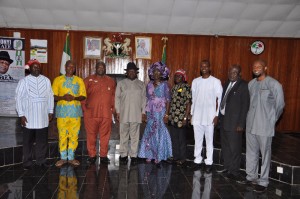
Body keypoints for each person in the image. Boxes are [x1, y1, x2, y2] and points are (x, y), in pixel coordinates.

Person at [237, 59, 285, 193]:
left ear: (265, 68)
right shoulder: (251, 84)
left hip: (264, 126)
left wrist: (272, 120)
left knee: (265, 155)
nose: (256, 68)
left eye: (259, 66)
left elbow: (280, 105)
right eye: (254, 66)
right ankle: (251, 177)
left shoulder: (274, 84)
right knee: (251, 153)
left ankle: (263, 181)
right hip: (251, 125)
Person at [15, 59, 54, 170]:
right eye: (34, 67)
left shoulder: (46, 80)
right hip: (28, 117)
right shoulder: (24, 81)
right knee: (28, 141)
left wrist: (50, 111)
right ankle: (27, 162)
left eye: (38, 67)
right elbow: (18, 98)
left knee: (42, 141)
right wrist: (21, 115)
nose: (36, 69)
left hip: (42, 116)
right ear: (30, 68)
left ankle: (41, 160)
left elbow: (50, 96)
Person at [218, 65, 250, 180]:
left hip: (235, 124)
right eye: (230, 72)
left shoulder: (244, 85)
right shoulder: (227, 83)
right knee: (225, 146)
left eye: (235, 72)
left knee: (235, 148)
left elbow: (245, 106)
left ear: (239, 74)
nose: (232, 74)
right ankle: (227, 167)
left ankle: (234, 171)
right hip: (224, 121)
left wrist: (241, 124)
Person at [52, 60, 86, 167]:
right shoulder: (57, 80)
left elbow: (83, 95)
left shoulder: (79, 80)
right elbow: (52, 95)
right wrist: (63, 97)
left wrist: (74, 98)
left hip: (75, 113)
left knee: (74, 135)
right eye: (69, 66)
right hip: (62, 112)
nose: (71, 68)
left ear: (75, 69)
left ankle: (71, 158)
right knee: (62, 135)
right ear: (65, 67)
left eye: (73, 67)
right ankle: (63, 158)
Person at [190, 60, 223, 172]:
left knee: (209, 140)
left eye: (206, 66)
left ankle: (209, 162)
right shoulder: (195, 81)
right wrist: (191, 114)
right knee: (197, 140)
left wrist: (217, 115)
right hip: (197, 116)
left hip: (210, 117)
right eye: (202, 66)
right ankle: (197, 160)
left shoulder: (216, 81)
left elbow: (220, 99)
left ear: (209, 67)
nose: (204, 68)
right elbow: (193, 99)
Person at [138, 61, 172, 166]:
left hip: (160, 111)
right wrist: (144, 112)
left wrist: (166, 114)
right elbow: (147, 99)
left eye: (158, 71)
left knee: (159, 130)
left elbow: (168, 100)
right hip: (150, 110)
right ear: (152, 72)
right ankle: (149, 154)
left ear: (162, 73)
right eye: (154, 71)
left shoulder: (165, 85)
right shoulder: (149, 85)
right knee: (149, 130)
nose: (156, 73)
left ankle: (160, 155)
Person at [82, 61, 116, 165]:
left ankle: (104, 155)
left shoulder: (111, 81)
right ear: (95, 68)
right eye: (99, 67)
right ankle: (92, 155)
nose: (101, 68)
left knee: (105, 136)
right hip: (91, 114)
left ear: (105, 69)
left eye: (103, 67)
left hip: (106, 114)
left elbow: (113, 97)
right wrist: (84, 109)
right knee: (91, 136)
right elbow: (83, 96)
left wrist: (113, 110)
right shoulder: (88, 80)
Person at [115, 62, 146, 165]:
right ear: (127, 73)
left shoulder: (141, 84)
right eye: (130, 71)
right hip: (124, 114)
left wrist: (143, 112)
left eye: (133, 71)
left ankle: (134, 155)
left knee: (135, 136)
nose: (132, 73)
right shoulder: (121, 84)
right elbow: (117, 98)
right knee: (123, 135)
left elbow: (144, 100)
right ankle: (123, 154)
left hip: (136, 114)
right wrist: (118, 111)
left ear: (136, 72)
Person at [167, 69, 191, 166]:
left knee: (181, 139)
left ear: (184, 78)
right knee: (174, 138)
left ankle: (183, 158)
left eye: (179, 76)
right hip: (173, 117)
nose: (177, 78)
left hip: (181, 117)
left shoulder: (186, 87)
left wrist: (185, 118)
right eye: (176, 76)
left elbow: (188, 103)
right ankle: (176, 156)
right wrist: (168, 115)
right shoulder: (174, 87)